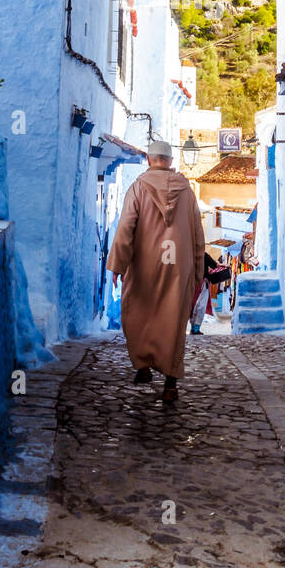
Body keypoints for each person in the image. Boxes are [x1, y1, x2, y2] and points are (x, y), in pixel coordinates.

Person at [107, 139, 205, 403]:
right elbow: (197, 234)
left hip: (144, 264)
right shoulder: (187, 192)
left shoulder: (138, 188)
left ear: (149, 160)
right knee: (173, 320)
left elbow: (126, 227)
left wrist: (117, 265)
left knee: (138, 312)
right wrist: (198, 271)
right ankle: (171, 382)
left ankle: (142, 365)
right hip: (178, 266)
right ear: (170, 161)